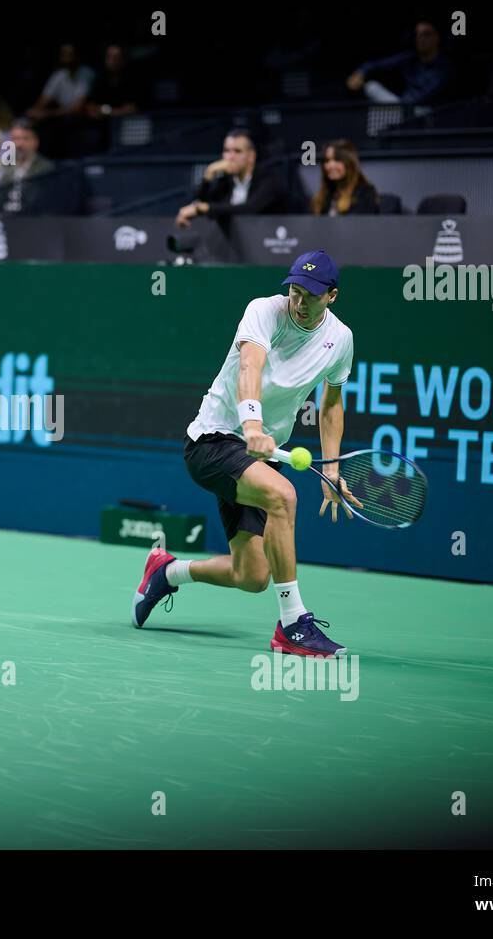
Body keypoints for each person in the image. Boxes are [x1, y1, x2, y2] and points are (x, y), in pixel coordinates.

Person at [131, 250, 359, 659]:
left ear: (332, 296)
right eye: (294, 290)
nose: (299, 301)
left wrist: (333, 469)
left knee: (252, 574)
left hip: (261, 456)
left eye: (310, 294)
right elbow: (250, 366)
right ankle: (293, 626)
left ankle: (167, 572)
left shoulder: (340, 339)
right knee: (284, 496)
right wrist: (251, 424)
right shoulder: (263, 311)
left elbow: (331, 406)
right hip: (214, 441)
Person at [175, 130, 284, 229]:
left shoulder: (269, 179)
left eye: (237, 151)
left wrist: (202, 208)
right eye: (227, 151)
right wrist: (208, 175)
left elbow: (249, 209)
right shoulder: (226, 181)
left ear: (251, 156)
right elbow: (204, 203)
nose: (230, 157)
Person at [346, 19, 454, 106]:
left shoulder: (444, 68)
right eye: (417, 34)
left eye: (426, 34)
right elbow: (377, 65)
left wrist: (402, 106)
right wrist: (361, 72)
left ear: (437, 37)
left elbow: (424, 97)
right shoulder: (410, 58)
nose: (420, 39)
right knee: (372, 87)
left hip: (427, 114)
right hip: (401, 108)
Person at [310, 140, 379, 215]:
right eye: (327, 160)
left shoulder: (365, 193)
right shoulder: (324, 196)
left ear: (349, 163)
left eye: (337, 160)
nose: (330, 166)